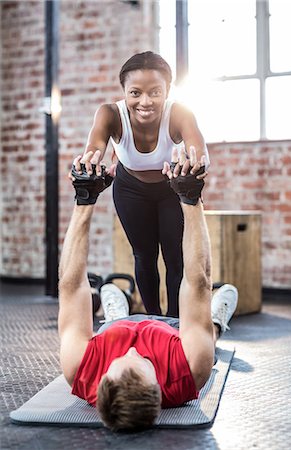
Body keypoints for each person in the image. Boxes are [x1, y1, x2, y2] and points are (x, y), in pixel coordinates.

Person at [59, 149, 238, 431]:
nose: (132, 352)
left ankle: (115, 316)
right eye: (141, 363)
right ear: (159, 387)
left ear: (101, 383)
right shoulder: (190, 369)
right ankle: (217, 320)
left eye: (120, 361)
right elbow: (198, 282)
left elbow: (70, 286)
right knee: (206, 335)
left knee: (113, 328)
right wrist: (191, 199)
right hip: (175, 331)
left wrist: (84, 200)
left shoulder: (80, 369)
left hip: (119, 328)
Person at [76, 50, 210, 317]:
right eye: (135, 92)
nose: (145, 101)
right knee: (144, 256)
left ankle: (174, 322)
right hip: (130, 190)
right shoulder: (109, 114)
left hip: (172, 189)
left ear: (167, 90)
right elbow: (95, 147)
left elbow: (200, 152)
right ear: (124, 91)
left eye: (155, 92)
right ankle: (153, 319)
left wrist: (194, 165)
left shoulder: (179, 113)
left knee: (176, 258)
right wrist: (87, 164)